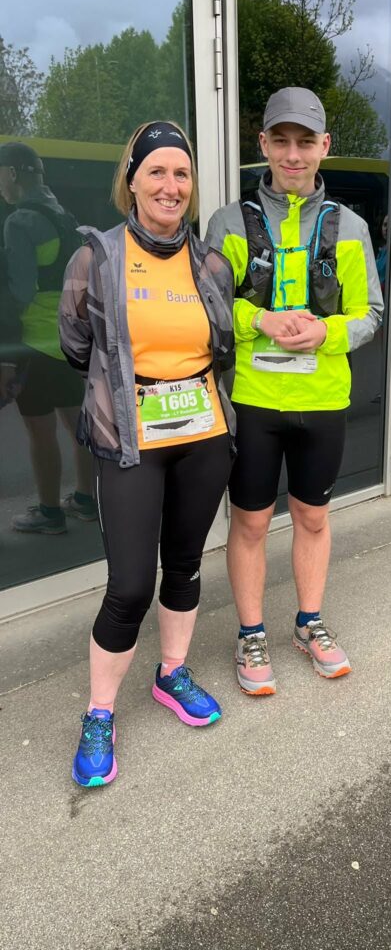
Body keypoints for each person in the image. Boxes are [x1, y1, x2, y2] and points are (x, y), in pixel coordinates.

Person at [59, 121, 235, 786]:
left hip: (203, 436)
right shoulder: (96, 258)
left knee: (184, 565)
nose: (170, 185)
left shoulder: (210, 264)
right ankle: (100, 712)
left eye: (181, 173)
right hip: (131, 441)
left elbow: (223, 346)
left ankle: (172, 674)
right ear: (130, 180)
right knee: (130, 586)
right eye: (156, 171)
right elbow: (76, 344)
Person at [205, 87, 383, 695]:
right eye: (280, 140)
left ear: (324, 146)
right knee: (250, 523)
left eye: (305, 142)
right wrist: (262, 319)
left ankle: (309, 623)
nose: (292, 154)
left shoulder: (351, 227)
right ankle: (250, 634)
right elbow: (208, 307)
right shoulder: (228, 222)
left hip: (323, 402)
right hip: (254, 402)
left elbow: (370, 313)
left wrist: (326, 332)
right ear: (263, 144)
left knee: (312, 516)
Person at [0, 142, 96, 533]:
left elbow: (21, 291)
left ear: (11, 173)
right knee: (78, 426)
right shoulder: (63, 216)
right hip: (69, 339)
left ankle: (49, 512)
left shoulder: (20, 221)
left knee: (40, 433)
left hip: (35, 344)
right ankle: (86, 499)